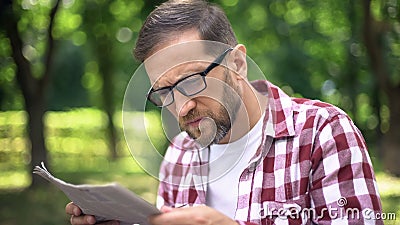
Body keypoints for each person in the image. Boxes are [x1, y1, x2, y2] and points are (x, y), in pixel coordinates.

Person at [66, 0, 383, 224]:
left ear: (237, 64)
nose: (182, 106)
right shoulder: (178, 156)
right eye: (165, 92)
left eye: (191, 80)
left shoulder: (322, 133)